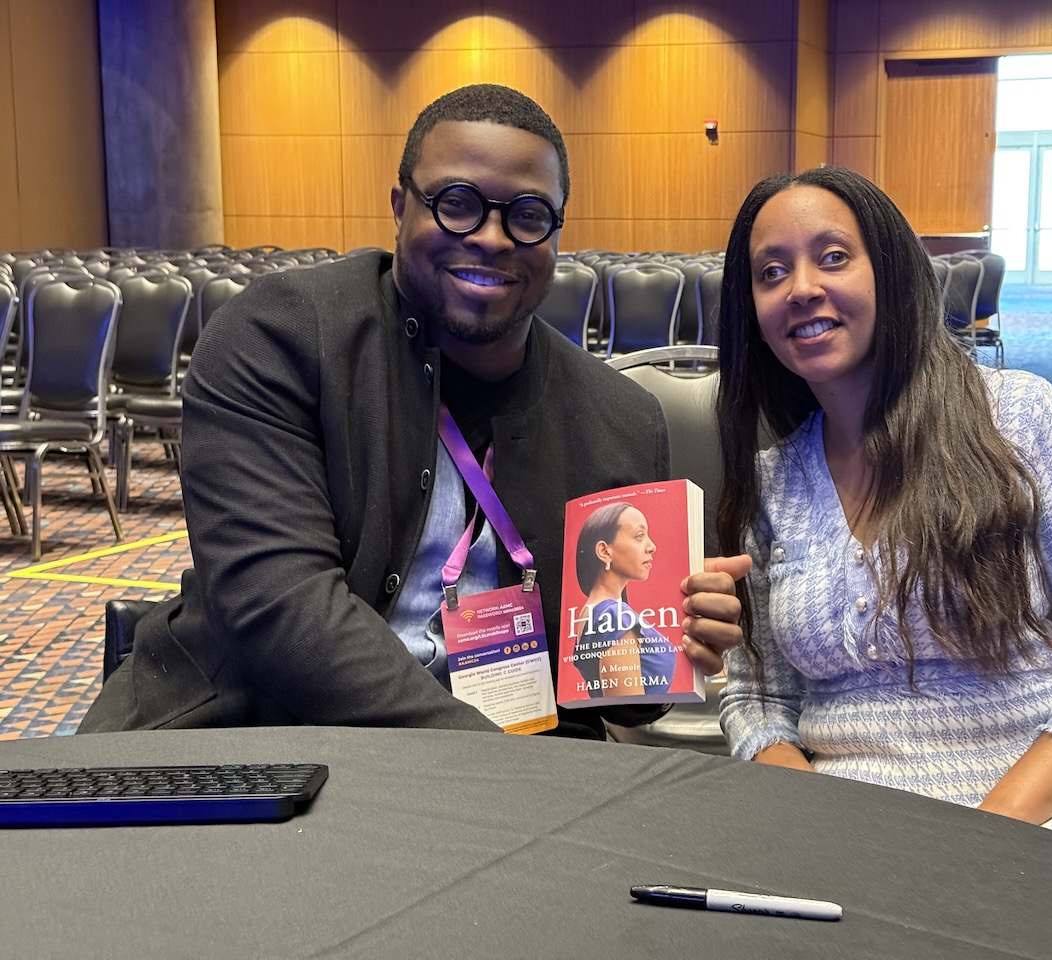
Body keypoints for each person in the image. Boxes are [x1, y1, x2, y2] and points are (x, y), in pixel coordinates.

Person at [79, 83, 747, 739]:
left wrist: (673, 645)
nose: (491, 236)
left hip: (521, 773)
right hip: (260, 736)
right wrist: (497, 767)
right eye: (456, 203)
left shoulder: (619, 418)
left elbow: (622, 701)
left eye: (528, 214)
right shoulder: (279, 337)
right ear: (400, 207)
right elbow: (281, 610)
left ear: (557, 233)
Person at [713, 165, 1052, 879]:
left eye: (832, 257)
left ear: (889, 272)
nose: (802, 289)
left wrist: (982, 839)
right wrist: (805, 812)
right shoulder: (772, 481)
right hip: (852, 828)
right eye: (770, 272)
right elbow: (758, 696)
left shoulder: (1020, 417)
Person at [570, 502, 679, 698]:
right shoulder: (613, 616)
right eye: (639, 536)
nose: (651, 546)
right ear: (604, 551)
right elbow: (627, 706)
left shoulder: (594, 611)